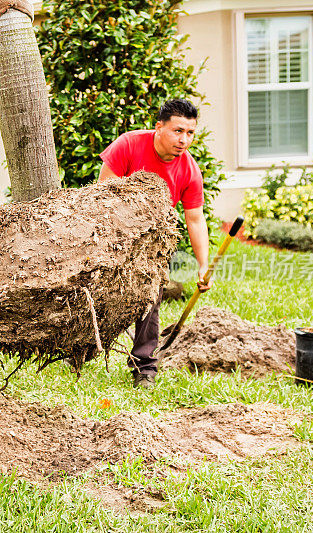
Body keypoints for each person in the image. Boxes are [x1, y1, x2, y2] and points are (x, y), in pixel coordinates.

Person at [98, 99, 211, 389]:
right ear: (159, 127)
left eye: (190, 133)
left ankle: (145, 366)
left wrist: (203, 265)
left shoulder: (189, 170)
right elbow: (101, 198)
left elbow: (195, 220)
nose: (183, 140)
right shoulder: (128, 145)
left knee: (151, 298)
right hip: (115, 234)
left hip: (154, 242)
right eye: (177, 131)